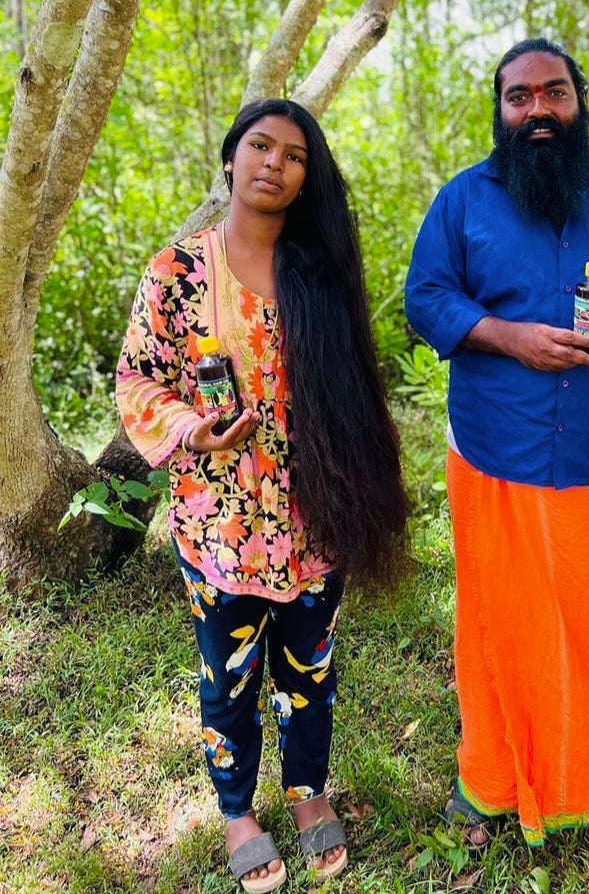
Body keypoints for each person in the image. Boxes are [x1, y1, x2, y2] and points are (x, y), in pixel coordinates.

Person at [404, 38, 589, 847]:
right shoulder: (463, 202)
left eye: (554, 92)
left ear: (579, 99)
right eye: (520, 97)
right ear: (500, 111)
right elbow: (425, 296)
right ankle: (493, 780)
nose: (538, 109)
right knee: (498, 625)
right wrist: (505, 337)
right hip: (494, 455)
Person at [116, 98, 408, 892]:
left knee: (310, 667)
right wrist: (190, 429)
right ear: (231, 157)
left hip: (319, 512)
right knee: (230, 674)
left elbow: (353, 389)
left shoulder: (319, 268)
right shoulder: (177, 270)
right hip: (220, 521)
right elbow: (137, 376)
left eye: (294, 155)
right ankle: (238, 810)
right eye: (260, 146)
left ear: (307, 177)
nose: (274, 163)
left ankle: (309, 795)